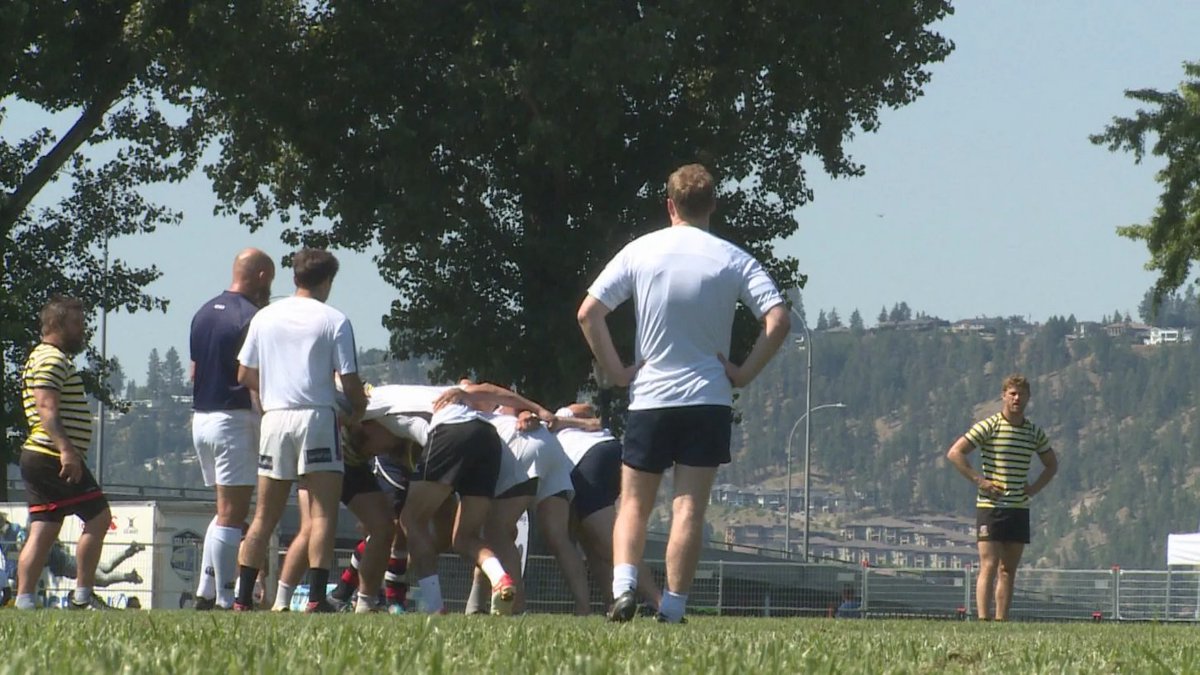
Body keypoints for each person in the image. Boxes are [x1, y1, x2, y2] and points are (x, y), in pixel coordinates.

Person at [578, 163, 790, 623]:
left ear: (669, 205)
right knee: (688, 505)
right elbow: (778, 321)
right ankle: (672, 607)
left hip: (651, 396)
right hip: (708, 397)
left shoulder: (640, 251)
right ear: (713, 205)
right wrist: (743, 372)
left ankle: (623, 588)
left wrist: (617, 372)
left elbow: (588, 313)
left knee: (633, 501)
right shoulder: (734, 259)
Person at [233, 248, 368, 612]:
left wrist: (272, 395)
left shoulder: (265, 317)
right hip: (317, 417)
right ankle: (315, 599)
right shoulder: (334, 319)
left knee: (264, 514)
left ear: (294, 278)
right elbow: (350, 379)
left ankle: (242, 598)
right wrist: (360, 409)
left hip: (275, 418)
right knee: (323, 514)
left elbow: (244, 373)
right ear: (327, 281)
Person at [189, 248, 275, 610]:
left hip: (202, 417)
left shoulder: (203, 312)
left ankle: (206, 591)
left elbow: (194, 371)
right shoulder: (252, 317)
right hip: (233, 418)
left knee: (222, 510)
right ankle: (226, 597)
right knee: (232, 514)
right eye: (269, 281)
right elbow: (256, 378)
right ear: (259, 277)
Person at [16, 296, 113, 610]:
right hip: (51, 455)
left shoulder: (40, 356)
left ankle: (25, 600)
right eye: (77, 323)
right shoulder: (51, 359)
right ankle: (82, 596)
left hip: (39, 455)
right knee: (99, 518)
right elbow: (46, 407)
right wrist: (67, 450)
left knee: (44, 527)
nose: (82, 330)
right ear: (58, 324)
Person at [946, 374, 1058, 622]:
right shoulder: (990, 426)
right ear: (1004, 396)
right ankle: (983, 619)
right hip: (991, 506)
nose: (1017, 399)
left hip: (1018, 506)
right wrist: (980, 480)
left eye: (1022, 394)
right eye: (1012, 394)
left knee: (1008, 570)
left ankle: (1001, 620)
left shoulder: (1033, 432)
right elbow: (955, 453)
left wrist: (1034, 488)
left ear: (1028, 398)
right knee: (989, 563)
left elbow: (1051, 464)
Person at [553, 403, 661, 613]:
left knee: (609, 542)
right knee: (591, 542)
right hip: (603, 456)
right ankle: (612, 604)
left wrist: (561, 420)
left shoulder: (554, 416)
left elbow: (589, 410)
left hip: (589, 460)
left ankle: (659, 603)